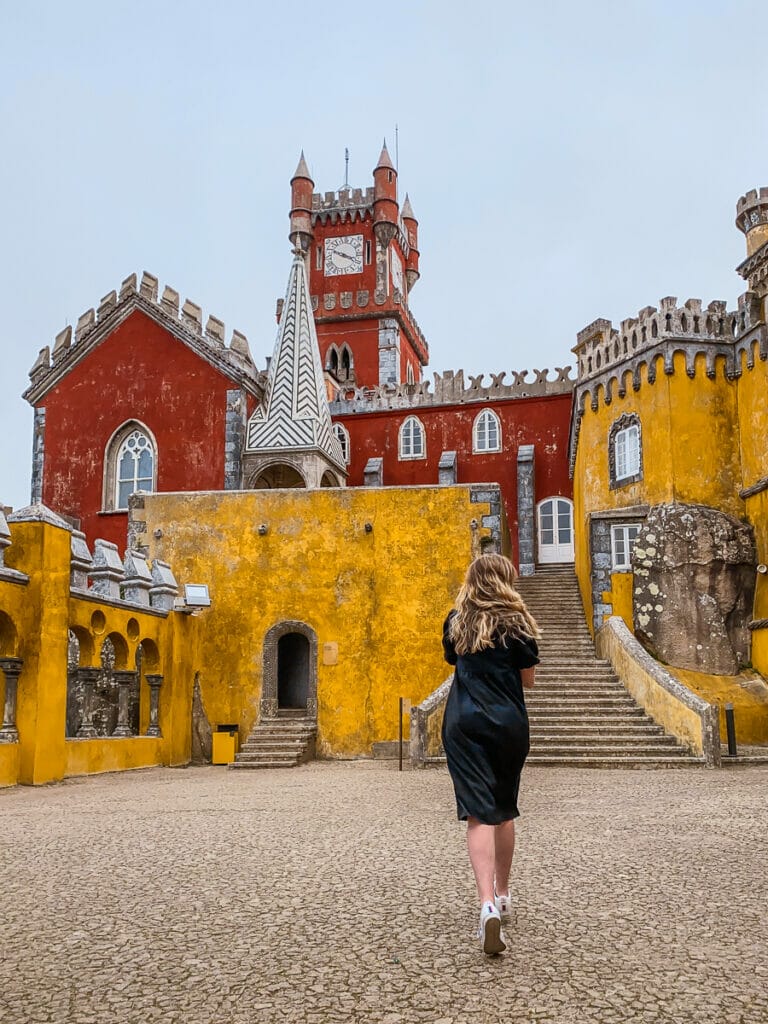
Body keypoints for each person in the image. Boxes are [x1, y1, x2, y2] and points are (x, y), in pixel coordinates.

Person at [441, 553, 540, 955]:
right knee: (504, 807)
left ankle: (485, 905)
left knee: (478, 812)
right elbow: (528, 681)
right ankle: (503, 894)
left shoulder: (456, 621)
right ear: (505, 580)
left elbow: (454, 660)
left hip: (464, 722)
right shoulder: (518, 623)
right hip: (507, 722)